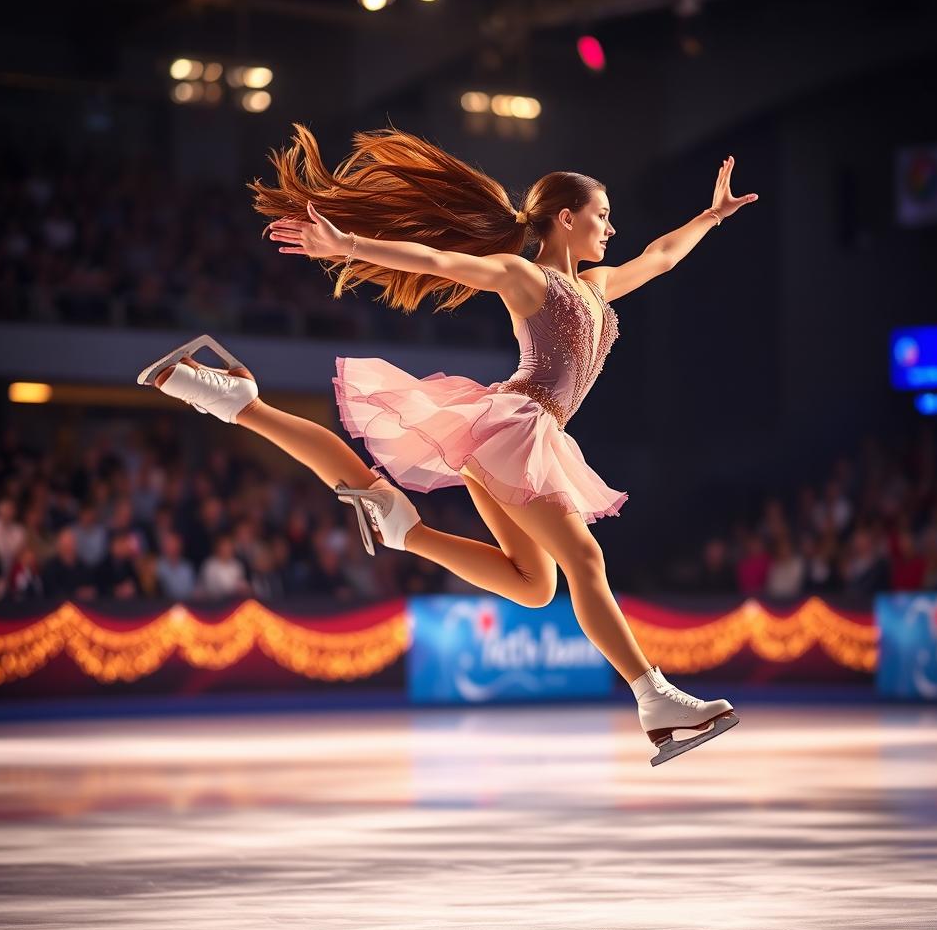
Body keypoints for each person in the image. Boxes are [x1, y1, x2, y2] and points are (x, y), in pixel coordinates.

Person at [137, 124, 758, 765]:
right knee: (587, 559)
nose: (611, 229)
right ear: (566, 219)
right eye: (602, 216)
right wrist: (346, 243)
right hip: (516, 426)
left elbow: (658, 256)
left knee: (534, 585)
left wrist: (711, 217)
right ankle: (652, 696)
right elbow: (438, 263)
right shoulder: (526, 278)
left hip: (525, 438)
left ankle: (253, 414)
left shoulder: (596, 289)